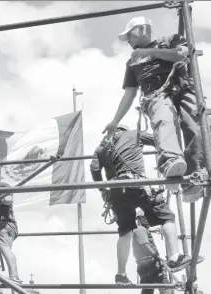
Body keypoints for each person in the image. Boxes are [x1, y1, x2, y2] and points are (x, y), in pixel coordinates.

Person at [102, 16, 206, 203]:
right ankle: (171, 163)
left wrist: (148, 52)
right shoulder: (132, 62)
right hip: (155, 94)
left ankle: (196, 176)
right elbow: (130, 94)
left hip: (182, 88)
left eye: (130, 36)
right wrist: (115, 121)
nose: (129, 43)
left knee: (195, 127)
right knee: (164, 118)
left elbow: (183, 54)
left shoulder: (169, 41)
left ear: (142, 30)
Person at [90, 126, 194, 285]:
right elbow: (159, 141)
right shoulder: (135, 134)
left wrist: (104, 191)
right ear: (124, 129)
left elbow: (95, 170)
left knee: (125, 232)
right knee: (166, 217)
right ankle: (174, 257)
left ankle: (121, 275)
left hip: (116, 191)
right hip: (136, 183)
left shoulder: (100, 147)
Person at [133, 208, 204, 294]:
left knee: (147, 288)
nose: (149, 221)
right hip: (151, 264)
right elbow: (145, 245)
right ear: (140, 219)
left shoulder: (139, 230)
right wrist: (157, 257)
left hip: (144, 266)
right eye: (147, 218)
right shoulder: (140, 229)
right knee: (164, 285)